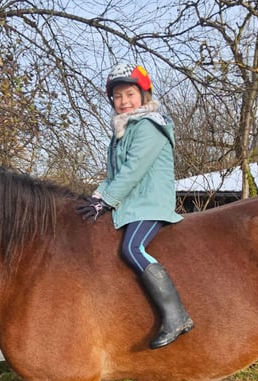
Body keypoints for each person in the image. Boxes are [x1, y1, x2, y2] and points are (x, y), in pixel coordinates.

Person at [76, 62, 194, 349]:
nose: (123, 101)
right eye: (117, 96)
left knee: (132, 248)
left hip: (150, 203)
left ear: (143, 95)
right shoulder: (119, 135)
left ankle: (177, 316)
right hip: (130, 204)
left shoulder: (149, 127)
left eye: (129, 94)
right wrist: (94, 198)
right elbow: (113, 176)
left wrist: (107, 200)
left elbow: (132, 171)